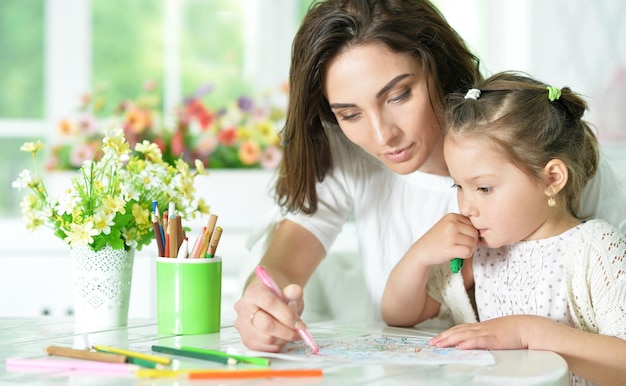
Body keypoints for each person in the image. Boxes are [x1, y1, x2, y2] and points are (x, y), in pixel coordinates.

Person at [233, 0, 626, 354]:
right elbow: (282, 267)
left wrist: (529, 334)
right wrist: (261, 306)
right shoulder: (345, 153)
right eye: (350, 114)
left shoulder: (538, 151)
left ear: (435, 67)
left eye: (399, 95)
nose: (383, 135)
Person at [382, 71, 626, 385]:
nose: (466, 207)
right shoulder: (477, 252)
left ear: (551, 179)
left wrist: (528, 332)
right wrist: (418, 257)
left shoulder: (596, 247)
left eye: (483, 188)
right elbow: (399, 315)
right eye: (459, 186)